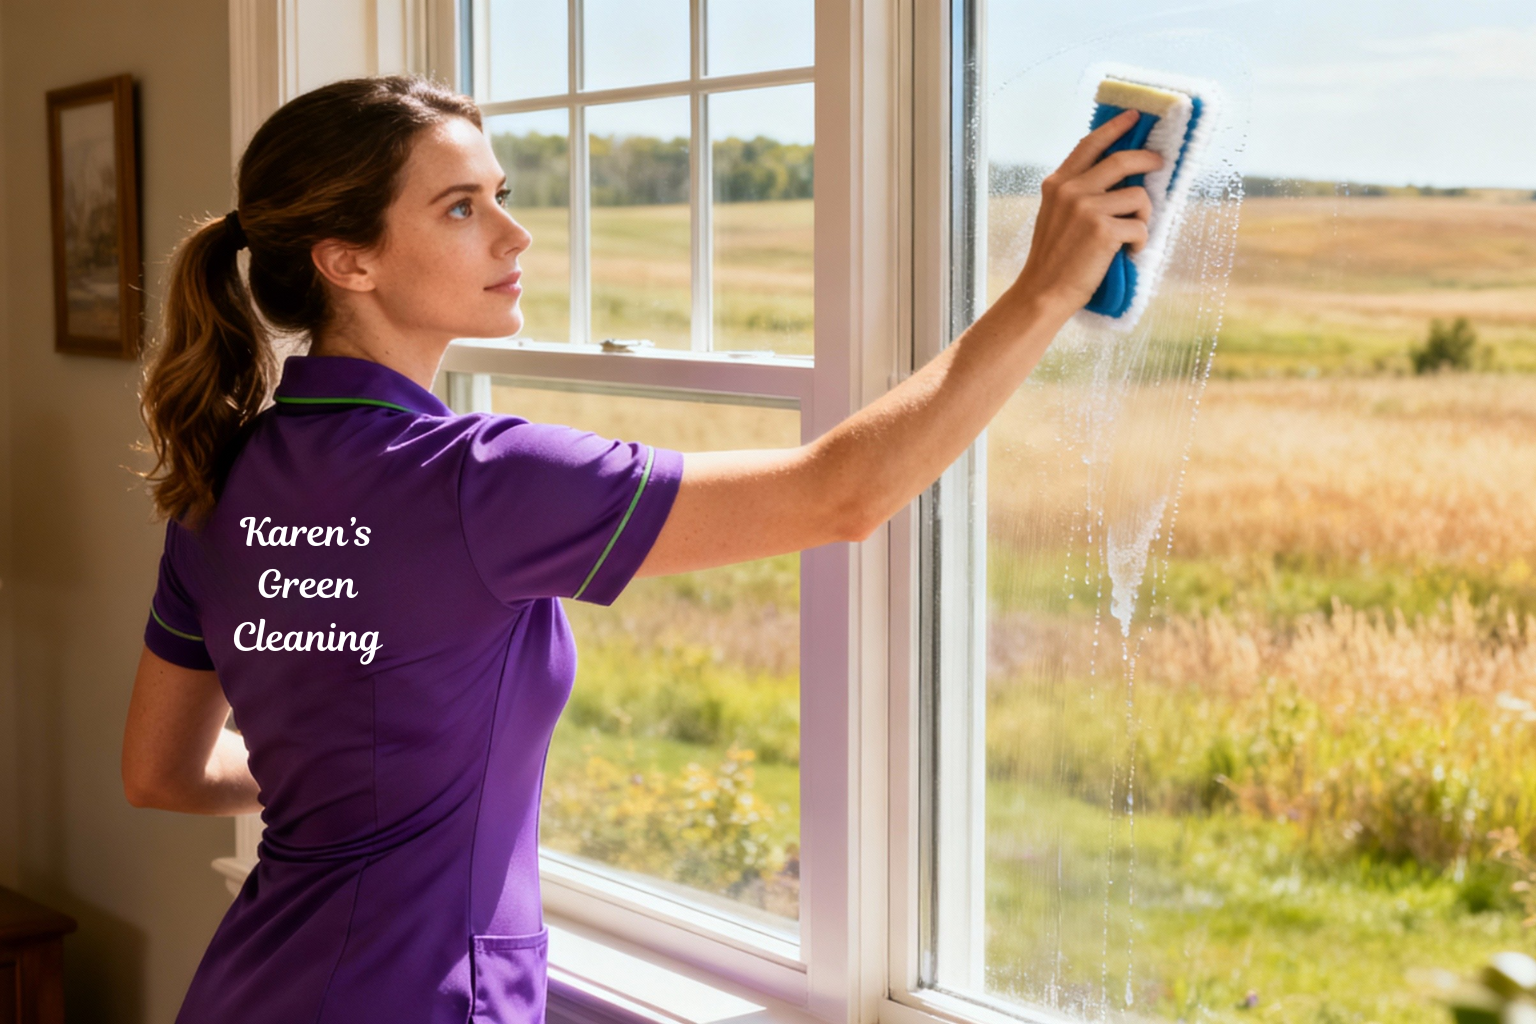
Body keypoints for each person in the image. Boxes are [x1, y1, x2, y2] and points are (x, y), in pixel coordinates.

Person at [120, 74, 1158, 1024]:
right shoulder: (478, 478)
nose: (516, 233)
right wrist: (1042, 292)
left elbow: (160, 772)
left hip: (250, 988)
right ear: (348, 262)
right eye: (461, 208)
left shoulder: (224, 478)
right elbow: (842, 494)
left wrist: (351, 778)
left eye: (500, 192)